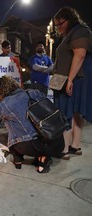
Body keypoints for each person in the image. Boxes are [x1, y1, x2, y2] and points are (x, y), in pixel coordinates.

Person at [0, 76, 64, 173]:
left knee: (12, 140)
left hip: (31, 146)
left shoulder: (5, 104)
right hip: (57, 140)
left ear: (2, 91)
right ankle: (42, 156)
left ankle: (29, 158)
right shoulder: (33, 92)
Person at [52, 7, 92, 160]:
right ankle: (75, 146)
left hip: (73, 79)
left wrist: (69, 79)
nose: (58, 27)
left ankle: (64, 149)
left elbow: (80, 55)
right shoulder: (71, 33)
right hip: (70, 78)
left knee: (65, 112)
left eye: (59, 23)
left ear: (69, 19)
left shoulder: (80, 31)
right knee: (75, 113)